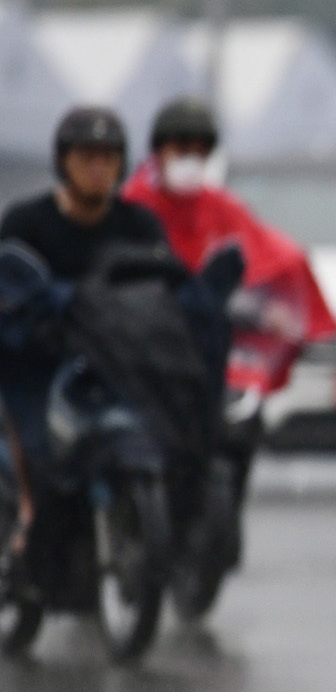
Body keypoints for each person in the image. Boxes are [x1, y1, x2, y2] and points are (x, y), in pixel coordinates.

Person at [0, 107, 210, 608]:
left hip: (118, 362)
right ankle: (27, 540)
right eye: (86, 157)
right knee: (37, 452)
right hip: (39, 367)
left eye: (108, 158)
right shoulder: (26, 223)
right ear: (63, 163)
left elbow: (166, 289)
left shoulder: (139, 226)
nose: (98, 168)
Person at [121, 96, 336, 398]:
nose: (190, 162)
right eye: (181, 150)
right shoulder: (131, 207)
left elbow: (269, 254)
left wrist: (275, 308)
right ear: (159, 151)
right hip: (146, 345)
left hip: (212, 345)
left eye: (199, 153)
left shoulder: (219, 206)